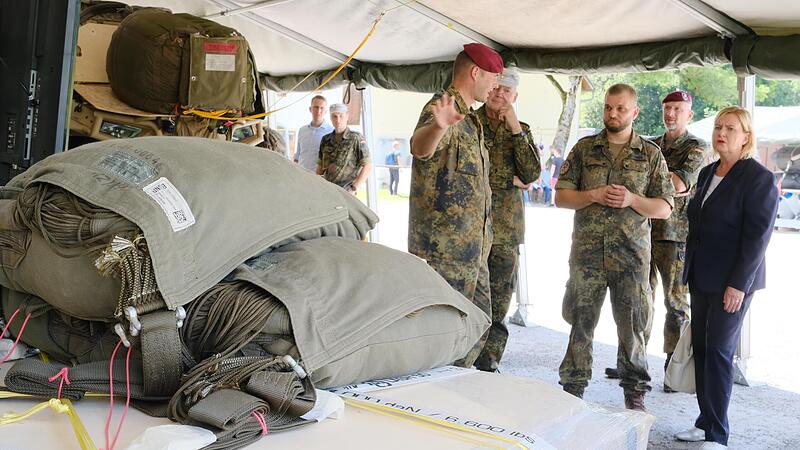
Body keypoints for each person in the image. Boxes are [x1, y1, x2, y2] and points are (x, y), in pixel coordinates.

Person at [555, 83, 674, 411]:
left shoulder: (650, 155)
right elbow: (561, 197)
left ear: (634, 112)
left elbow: (664, 207)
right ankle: (573, 388)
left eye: (621, 108)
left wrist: (633, 200)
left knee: (633, 327)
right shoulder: (584, 149)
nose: (613, 114)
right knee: (580, 323)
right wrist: (592, 195)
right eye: (609, 107)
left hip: (631, 258)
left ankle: (634, 393)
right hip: (587, 257)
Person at [676, 107, 778, 449]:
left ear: (746, 136)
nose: (721, 133)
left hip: (733, 281)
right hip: (701, 274)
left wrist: (738, 284)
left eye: (731, 128)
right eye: (718, 127)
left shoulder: (757, 178)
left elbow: (757, 239)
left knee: (719, 351)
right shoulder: (707, 173)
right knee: (703, 349)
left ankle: (718, 435)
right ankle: (705, 422)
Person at [605, 90, 707, 390]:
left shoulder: (697, 147)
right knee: (639, 299)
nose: (671, 114)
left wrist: (648, 188)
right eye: (667, 108)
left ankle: (672, 369)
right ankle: (634, 362)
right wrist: (653, 189)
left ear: (689, 114)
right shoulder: (651, 145)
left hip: (677, 237)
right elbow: (637, 183)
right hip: (645, 233)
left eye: (677, 109)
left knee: (675, 303)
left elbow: (676, 184)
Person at [408, 42, 502, 367]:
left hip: (473, 252)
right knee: (443, 335)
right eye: (492, 77)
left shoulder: (471, 118)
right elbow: (420, 147)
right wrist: (439, 126)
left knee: (477, 326)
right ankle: (437, 399)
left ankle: (455, 389)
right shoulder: (442, 106)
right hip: (444, 253)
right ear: (475, 72)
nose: (495, 85)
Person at [473, 66, 541, 372]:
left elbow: (531, 174)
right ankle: (459, 359)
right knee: (467, 296)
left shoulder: (520, 130)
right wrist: (505, 177)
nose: (500, 95)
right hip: (469, 227)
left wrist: (515, 127)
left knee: (499, 300)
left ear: (516, 96)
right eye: (496, 88)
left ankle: (488, 363)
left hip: (505, 229)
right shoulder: (469, 123)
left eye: (507, 91)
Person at [316, 103, 372, 193]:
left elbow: (367, 165)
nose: (338, 120)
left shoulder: (356, 138)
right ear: (331, 118)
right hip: (327, 190)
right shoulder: (326, 140)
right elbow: (320, 167)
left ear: (347, 117)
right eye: (334, 116)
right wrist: (318, 185)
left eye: (341, 116)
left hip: (346, 191)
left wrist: (354, 188)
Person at [294, 95, 334, 172]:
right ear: (310, 109)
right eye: (316, 107)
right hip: (301, 175)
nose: (318, 111)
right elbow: (297, 156)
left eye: (322, 108)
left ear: (326, 111)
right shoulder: (302, 130)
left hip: (319, 179)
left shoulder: (331, 132)